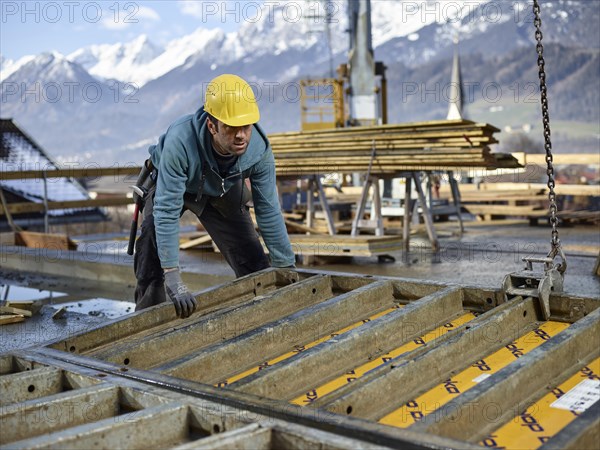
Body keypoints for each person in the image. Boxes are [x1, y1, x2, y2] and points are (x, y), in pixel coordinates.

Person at [133, 74, 296, 318]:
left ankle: (264, 314)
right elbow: (166, 212)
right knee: (152, 237)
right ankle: (148, 319)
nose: (241, 135)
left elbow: (269, 209)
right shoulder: (180, 142)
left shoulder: (259, 151)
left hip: (221, 187)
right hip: (175, 183)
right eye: (231, 127)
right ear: (212, 126)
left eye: (246, 126)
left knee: (252, 258)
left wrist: (285, 265)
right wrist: (174, 276)